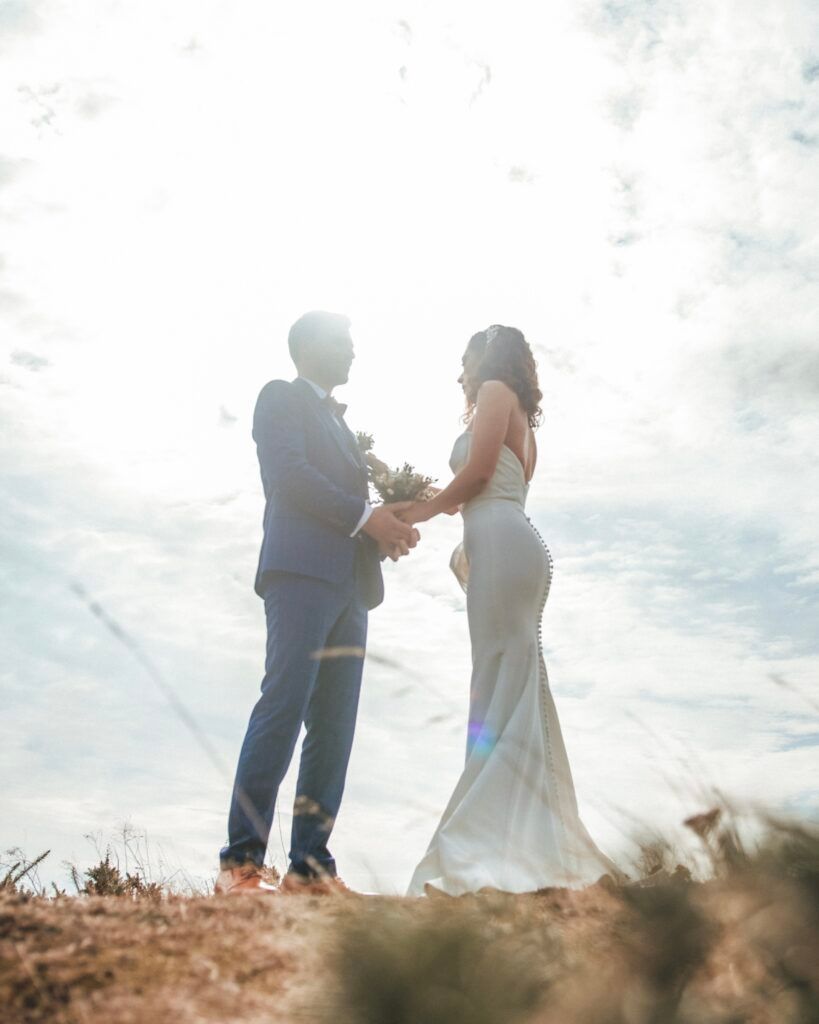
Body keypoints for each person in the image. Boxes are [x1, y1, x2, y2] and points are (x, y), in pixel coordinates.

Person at [401, 325, 618, 895]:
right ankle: (522, 832)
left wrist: (419, 511)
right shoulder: (521, 415)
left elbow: (476, 478)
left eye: (466, 359)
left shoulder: (496, 392)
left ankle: (488, 837)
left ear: (489, 359)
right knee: (509, 686)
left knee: (499, 686)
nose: (463, 372)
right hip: (505, 540)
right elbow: (493, 488)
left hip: (501, 540)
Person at [216, 311, 417, 896]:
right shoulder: (279, 398)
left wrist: (389, 528)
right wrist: (366, 517)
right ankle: (241, 864)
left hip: (353, 586)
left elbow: (350, 501)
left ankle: (309, 868)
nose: (353, 352)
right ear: (307, 348)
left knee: (334, 727)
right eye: (342, 343)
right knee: (283, 703)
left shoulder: (344, 429)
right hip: (300, 572)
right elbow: (291, 477)